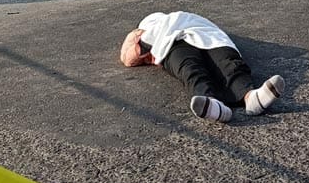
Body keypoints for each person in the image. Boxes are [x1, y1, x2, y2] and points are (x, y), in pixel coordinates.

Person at [120, 11, 286, 123]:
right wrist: (143, 39)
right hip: (173, 42)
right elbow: (128, 58)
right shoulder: (143, 30)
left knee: (225, 61)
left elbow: (131, 56)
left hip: (201, 31)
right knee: (190, 68)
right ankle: (211, 103)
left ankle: (251, 97)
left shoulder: (179, 17)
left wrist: (143, 43)